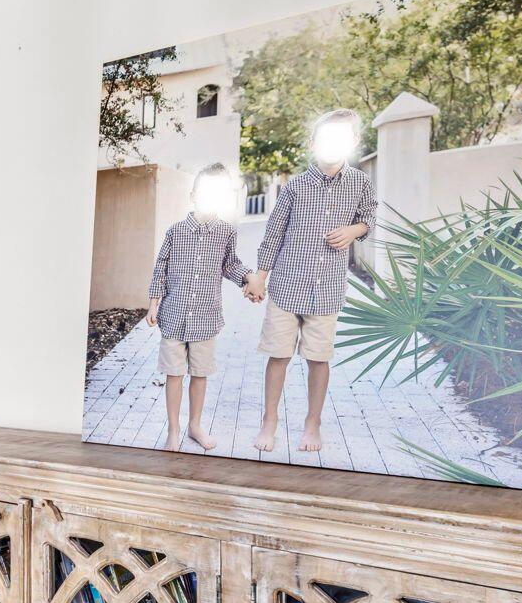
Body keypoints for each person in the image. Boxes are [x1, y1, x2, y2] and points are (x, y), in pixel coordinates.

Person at [250, 109, 376, 454]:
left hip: (327, 290)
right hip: (287, 288)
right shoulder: (296, 186)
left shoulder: (360, 183)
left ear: (351, 143)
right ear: (312, 144)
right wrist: (260, 276)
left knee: (318, 359)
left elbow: (369, 217)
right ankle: (270, 420)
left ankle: (313, 422)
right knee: (278, 356)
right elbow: (274, 233)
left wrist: (355, 229)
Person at [147, 164, 263, 452]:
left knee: (199, 374)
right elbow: (160, 267)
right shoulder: (175, 232)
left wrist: (248, 279)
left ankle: (194, 425)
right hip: (173, 315)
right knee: (174, 374)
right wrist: (154, 303)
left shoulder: (225, 231)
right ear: (193, 195)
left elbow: (230, 264)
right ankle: (173, 429)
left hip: (206, 316)